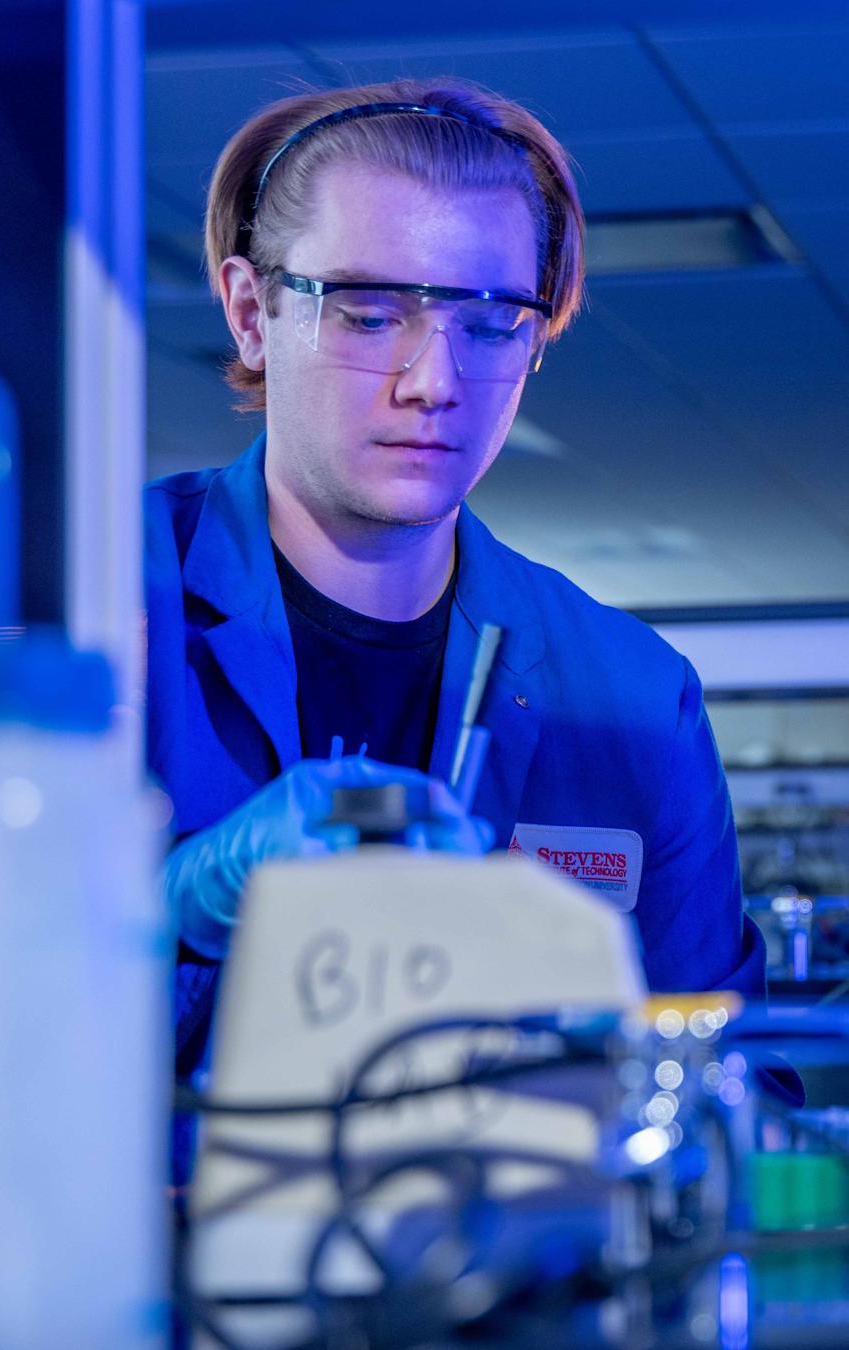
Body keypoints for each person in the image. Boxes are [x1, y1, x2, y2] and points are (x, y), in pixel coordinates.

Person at [145, 79, 765, 1091]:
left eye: (488, 325)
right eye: (368, 313)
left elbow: (727, 1087)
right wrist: (167, 911)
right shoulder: (88, 608)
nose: (433, 380)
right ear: (253, 313)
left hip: (524, 1246)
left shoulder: (632, 698)